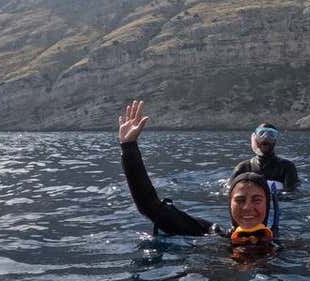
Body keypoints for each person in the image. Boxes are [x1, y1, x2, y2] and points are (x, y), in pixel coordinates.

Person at [117, 101, 278, 256]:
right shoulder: (210, 234)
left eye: (256, 200)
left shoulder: (284, 245)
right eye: (240, 200)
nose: (248, 207)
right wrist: (129, 146)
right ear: (230, 203)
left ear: (267, 203)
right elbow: (150, 206)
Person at [230, 123, 299, 193]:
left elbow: (291, 195)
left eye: (271, 135)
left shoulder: (286, 167)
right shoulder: (243, 168)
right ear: (255, 139)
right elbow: (230, 193)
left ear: (275, 141)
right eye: (261, 133)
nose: (266, 137)